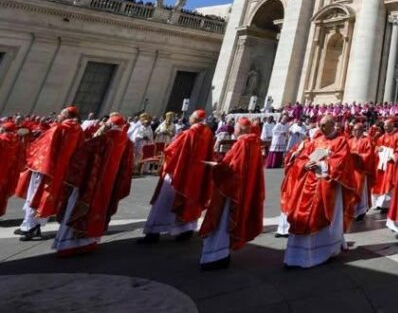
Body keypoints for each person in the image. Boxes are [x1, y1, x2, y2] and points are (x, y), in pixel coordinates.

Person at [280, 114, 358, 268]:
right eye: (320, 125)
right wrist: (304, 165)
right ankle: (297, 255)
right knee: (301, 216)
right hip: (308, 185)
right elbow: (302, 158)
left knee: (320, 217)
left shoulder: (341, 141)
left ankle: (323, 251)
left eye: (324, 125)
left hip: (327, 186)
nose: (321, 128)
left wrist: (323, 166)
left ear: (333, 125)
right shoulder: (315, 140)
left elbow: (342, 162)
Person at [52, 114, 134, 256]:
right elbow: (126, 168)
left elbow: (80, 156)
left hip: (89, 183)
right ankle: (89, 242)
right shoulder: (127, 142)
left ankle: (69, 245)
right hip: (108, 186)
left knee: (77, 210)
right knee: (100, 211)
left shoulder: (102, 140)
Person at [198, 117, 265, 270]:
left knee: (221, 222)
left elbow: (232, 169)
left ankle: (215, 256)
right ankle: (222, 254)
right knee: (226, 224)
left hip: (231, 191)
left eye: (235, 127)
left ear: (240, 129)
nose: (233, 130)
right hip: (241, 190)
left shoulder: (242, 143)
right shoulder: (254, 143)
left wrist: (215, 166)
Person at [139, 110, 214, 243]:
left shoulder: (188, 133)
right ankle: (186, 229)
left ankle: (154, 231)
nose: (189, 118)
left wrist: (165, 153)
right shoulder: (207, 133)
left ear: (195, 119)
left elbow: (172, 151)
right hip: (197, 174)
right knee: (190, 201)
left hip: (179, 172)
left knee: (164, 201)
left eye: (191, 116)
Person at [16, 106, 84, 241]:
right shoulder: (79, 130)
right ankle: (32, 225)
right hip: (61, 170)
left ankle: (30, 227)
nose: (58, 115)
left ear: (66, 116)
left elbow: (43, 147)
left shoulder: (59, 128)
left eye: (61, 113)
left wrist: (29, 139)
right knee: (46, 199)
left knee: (35, 195)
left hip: (45, 168)